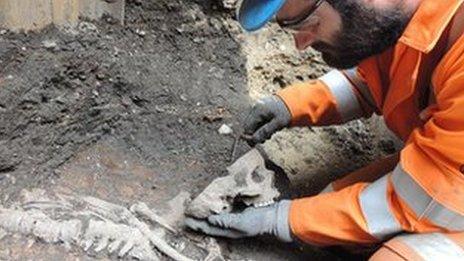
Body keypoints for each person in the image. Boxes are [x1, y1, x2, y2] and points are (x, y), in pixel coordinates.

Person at [186, 0, 464, 258]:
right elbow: (383, 79)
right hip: (448, 160)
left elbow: (421, 201)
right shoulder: (400, 17)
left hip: (447, 196)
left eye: (307, 23)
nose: (302, 43)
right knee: (329, 213)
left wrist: (282, 219)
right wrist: (293, 106)